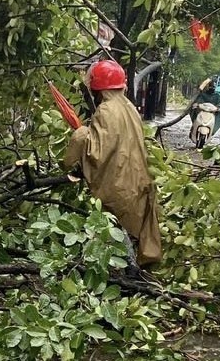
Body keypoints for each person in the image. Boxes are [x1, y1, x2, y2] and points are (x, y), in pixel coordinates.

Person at [63, 59, 162, 272]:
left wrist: (81, 135)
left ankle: (129, 277)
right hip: (137, 180)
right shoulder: (129, 107)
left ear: (97, 87)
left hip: (118, 186)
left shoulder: (105, 110)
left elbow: (97, 153)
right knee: (128, 235)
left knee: (118, 237)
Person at [188, 78, 220, 144]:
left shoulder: (217, 96)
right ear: (207, 87)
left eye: (213, 87)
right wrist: (196, 105)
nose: (211, 88)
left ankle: (211, 132)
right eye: (210, 86)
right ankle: (193, 129)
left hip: (212, 114)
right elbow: (197, 101)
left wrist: (218, 109)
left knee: (219, 116)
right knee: (194, 112)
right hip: (202, 112)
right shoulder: (202, 94)